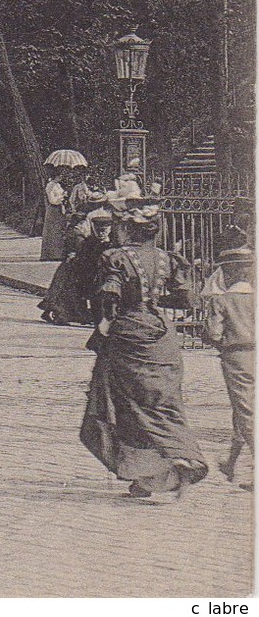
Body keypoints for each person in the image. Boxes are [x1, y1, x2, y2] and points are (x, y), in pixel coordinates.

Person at [80, 205, 208, 500]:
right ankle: (160, 470)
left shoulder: (116, 258)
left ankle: (156, 468)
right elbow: (188, 298)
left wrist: (106, 322)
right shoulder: (168, 259)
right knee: (163, 400)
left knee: (127, 405)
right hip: (162, 336)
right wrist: (156, 296)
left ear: (128, 230)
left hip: (129, 332)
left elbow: (110, 295)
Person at [205, 246, 254, 486]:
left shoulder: (222, 301)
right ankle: (231, 464)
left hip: (237, 358)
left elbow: (214, 333)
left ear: (229, 272)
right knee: (242, 409)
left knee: (246, 410)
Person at [40, 208, 113, 326]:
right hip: (79, 271)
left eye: (104, 230)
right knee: (69, 294)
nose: (101, 233)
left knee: (65, 293)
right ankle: (67, 315)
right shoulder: (81, 237)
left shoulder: (86, 237)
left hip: (78, 270)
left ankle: (81, 316)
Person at [40, 167, 68, 261]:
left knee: (59, 231)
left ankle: (59, 253)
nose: (61, 177)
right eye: (60, 175)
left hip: (60, 208)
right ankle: (50, 255)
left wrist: (63, 195)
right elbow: (52, 200)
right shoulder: (50, 186)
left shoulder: (58, 185)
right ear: (55, 176)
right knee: (52, 231)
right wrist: (62, 197)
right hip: (53, 209)